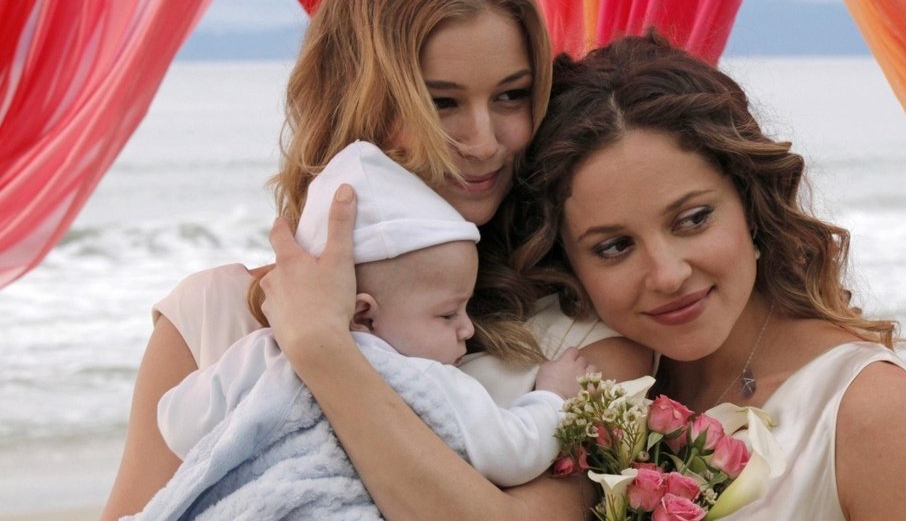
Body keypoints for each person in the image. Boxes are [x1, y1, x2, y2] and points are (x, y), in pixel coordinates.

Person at [97, 0, 651, 521]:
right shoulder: (212, 315)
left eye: (511, 96)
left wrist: (322, 348)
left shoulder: (582, 340)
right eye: (441, 102)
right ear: (359, 98)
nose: (485, 141)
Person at [503, 33, 906, 521]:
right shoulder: (595, 407)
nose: (667, 274)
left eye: (693, 219)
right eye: (614, 247)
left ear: (750, 204)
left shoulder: (866, 412)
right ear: (569, 264)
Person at [158, 141, 591, 483]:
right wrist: (553, 398)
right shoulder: (424, 381)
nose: (466, 328)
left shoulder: (262, 354)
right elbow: (512, 452)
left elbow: (177, 423)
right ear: (363, 316)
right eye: (448, 314)